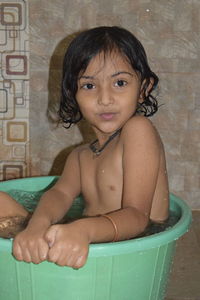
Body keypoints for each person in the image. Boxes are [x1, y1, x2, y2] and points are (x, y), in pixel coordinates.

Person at [0, 26, 169, 269]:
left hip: (131, 249)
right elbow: (59, 194)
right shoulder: (79, 156)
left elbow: (138, 217)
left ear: (144, 89)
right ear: (73, 94)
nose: (105, 98)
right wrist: (37, 226)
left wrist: (82, 230)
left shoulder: (138, 130)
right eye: (89, 86)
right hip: (82, 236)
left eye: (120, 82)